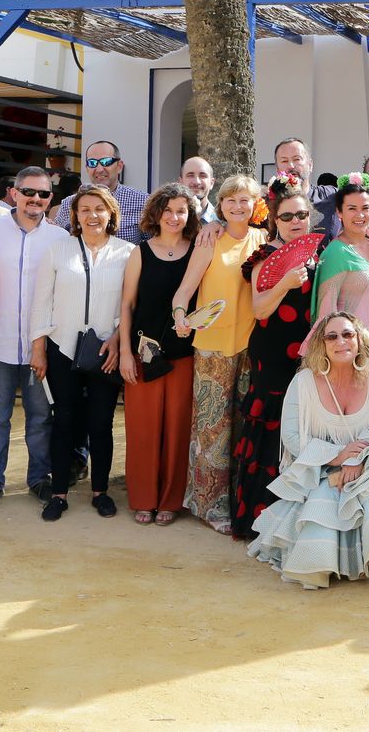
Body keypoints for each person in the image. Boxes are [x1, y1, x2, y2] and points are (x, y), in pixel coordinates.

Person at [246, 311, 369, 588]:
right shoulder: (303, 382)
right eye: (332, 336)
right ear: (322, 344)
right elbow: (292, 437)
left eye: (347, 334)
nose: (341, 341)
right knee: (327, 492)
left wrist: (357, 457)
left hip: (366, 464)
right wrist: (339, 456)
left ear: (359, 340)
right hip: (319, 468)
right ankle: (327, 558)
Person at [31, 184, 134, 521]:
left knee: (101, 424)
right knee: (64, 421)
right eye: (85, 209)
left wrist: (118, 338)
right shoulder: (57, 250)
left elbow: (130, 304)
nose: (92, 215)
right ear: (74, 215)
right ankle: (58, 492)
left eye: (99, 209)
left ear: (111, 214)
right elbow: (42, 301)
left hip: (106, 349)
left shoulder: (128, 252)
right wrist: (39, 347)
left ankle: (100, 492)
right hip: (62, 348)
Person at [171, 174, 265, 533]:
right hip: (212, 349)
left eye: (245, 200)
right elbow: (184, 293)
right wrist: (181, 316)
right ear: (220, 205)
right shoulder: (210, 240)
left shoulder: (263, 239)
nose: (238, 206)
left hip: (250, 346)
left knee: (243, 427)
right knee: (211, 430)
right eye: (230, 200)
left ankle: (240, 500)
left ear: (255, 204)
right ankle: (209, 506)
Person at [0, 167, 68, 509]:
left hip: (39, 347)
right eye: (29, 192)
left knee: (40, 418)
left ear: (50, 199)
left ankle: (39, 479)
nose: (35, 199)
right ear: (14, 192)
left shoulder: (59, 239)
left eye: (43, 194)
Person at [231, 176, 317, 538]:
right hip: (272, 355)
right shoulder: (264, 257)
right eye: (287, 217)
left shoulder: (318, 255)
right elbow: (259, 309)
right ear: (274, 221)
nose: (295, 222)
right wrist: (284, 283)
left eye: (301, 215)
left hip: (309, 353)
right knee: (273, 430)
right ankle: (262, 519)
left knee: (305, 426)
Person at [118, 183, 199, 525]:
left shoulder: (198, 251)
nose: (174, 217)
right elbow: (127, 305)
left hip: (183, 355)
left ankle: (171, 500)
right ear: (156, 213)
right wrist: (124, 352)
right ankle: (144, 498)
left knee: (178, 430)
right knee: (143, 430)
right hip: (143, 354)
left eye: (181, 211)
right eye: (168, 210)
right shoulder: (140, 252)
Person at [312, 175, 369, 363]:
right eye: (352, 209)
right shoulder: (335, 253)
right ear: (339, 212)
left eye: (365, 208)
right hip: (347, 350)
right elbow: (326, 314)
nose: (360, 215)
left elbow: (367, 294)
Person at [54, 140, 149, 244]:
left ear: (119, 166)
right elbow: (58, 241)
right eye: (92, 163)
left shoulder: (143, 202)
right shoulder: (68, 204)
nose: (99, 169)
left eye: (106, 162)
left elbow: (153, 245)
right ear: (87, 168)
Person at [274, 139, 337, 236]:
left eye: (297, 159)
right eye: (284, 161)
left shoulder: (332, 196)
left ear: (310, 165)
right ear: (277, 169)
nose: (291, 166)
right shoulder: (267, 205)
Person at [180, 156, 218, 223]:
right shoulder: (170, 221)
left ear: (211, 183)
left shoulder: (222, 223)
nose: (196, 182)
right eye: (190, 175)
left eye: (202, 176)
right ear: (181, 182)